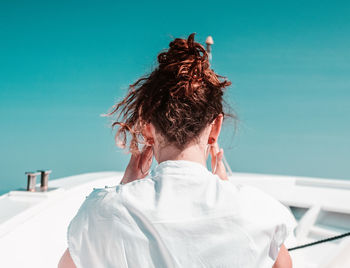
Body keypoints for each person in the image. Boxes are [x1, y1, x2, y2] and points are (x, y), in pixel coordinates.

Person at [59, 33, 296, 268]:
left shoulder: (103, 211)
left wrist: (123, 189)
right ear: (215, 128)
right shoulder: (256, 210)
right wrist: (228, 191)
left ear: (148, 130)